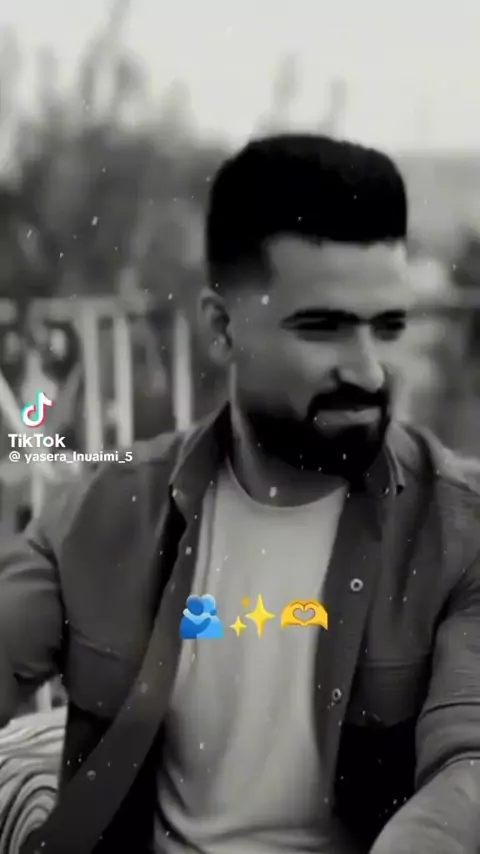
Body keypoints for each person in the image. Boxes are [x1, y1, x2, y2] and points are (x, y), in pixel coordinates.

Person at [0, 134, 480, 854]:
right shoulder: (102, 513)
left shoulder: (459, 531)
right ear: (222, 330)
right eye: (324, 328)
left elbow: (468, 766)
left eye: (386, 327)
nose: (369, 370)